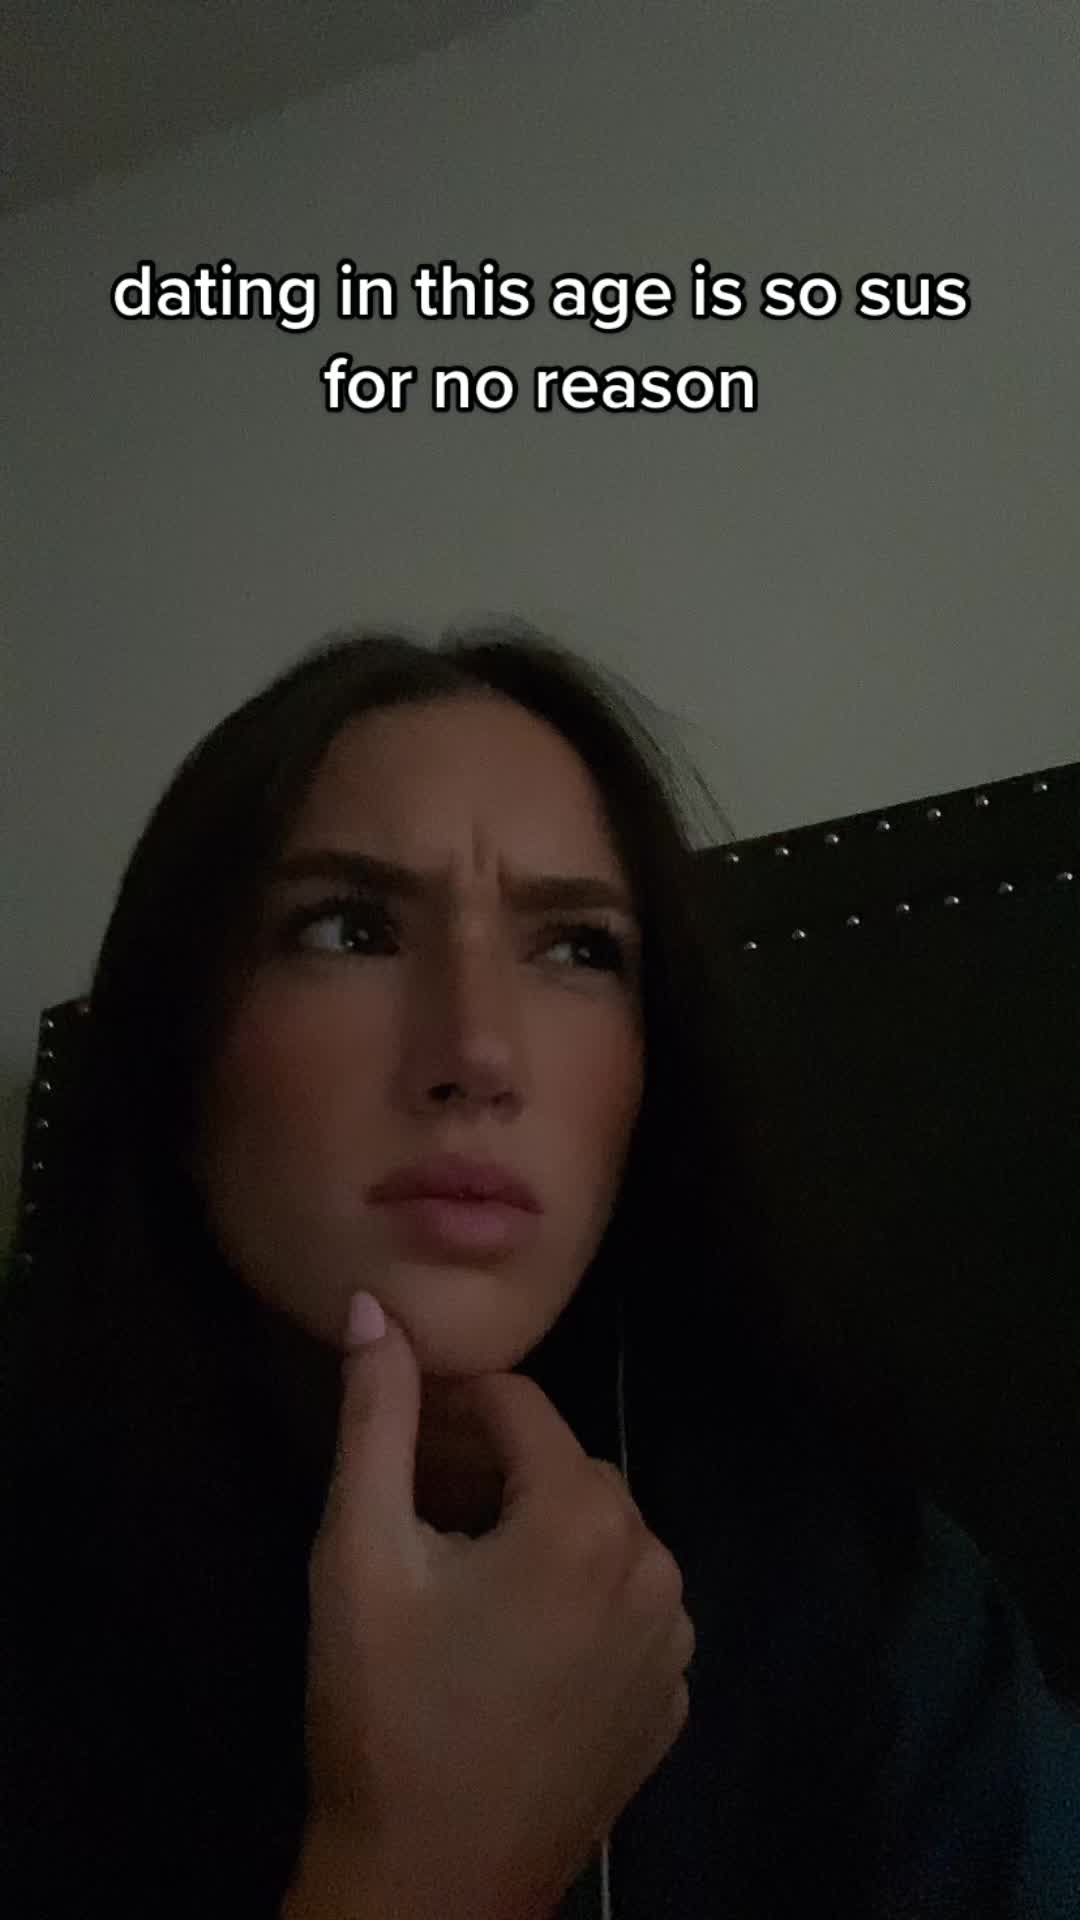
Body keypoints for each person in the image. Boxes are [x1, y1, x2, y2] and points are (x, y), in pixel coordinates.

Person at [1, 621, 1077, 1919]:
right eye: (348, 929)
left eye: (578, 949)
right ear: (177, 1056)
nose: (478, 1053)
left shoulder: (873, 1611)